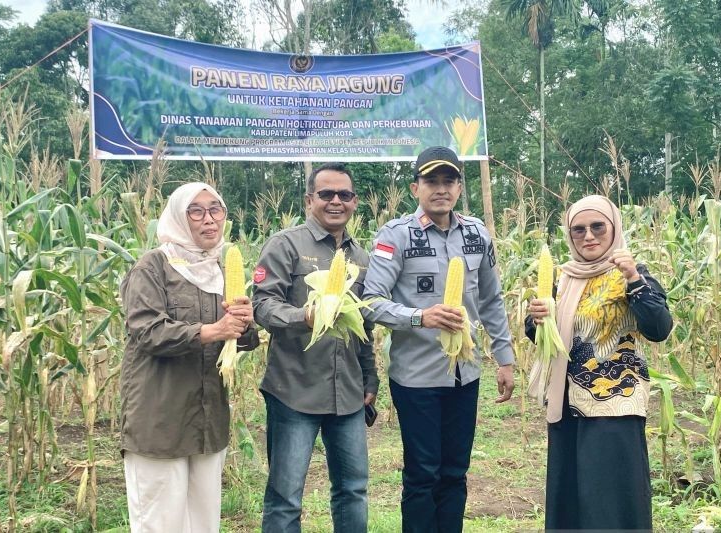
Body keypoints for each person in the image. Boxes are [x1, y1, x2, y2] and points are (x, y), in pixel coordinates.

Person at [363, 146, 515, 532]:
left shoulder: (477, 234)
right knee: (423, 473)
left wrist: (505, 357)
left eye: (449, 181)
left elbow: (491, 299)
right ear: (416, 188)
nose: (441, 189)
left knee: (455, 472)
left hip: (466, 374)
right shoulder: (396, 236)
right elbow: (370, 302)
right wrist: (420, 316)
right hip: (417, 379)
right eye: (432, 181)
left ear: (460, 188)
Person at [526, 194, 673, 531]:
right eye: (579, 230)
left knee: (609, 498)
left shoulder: (632, 274)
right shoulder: (563, 279)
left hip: (614, 403)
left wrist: (634, 278)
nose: (588, 236)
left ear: (613, 229)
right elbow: (545, 336)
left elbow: (659, 327)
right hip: (566, 404)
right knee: (571, 496)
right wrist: (535, 320)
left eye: (597, 227)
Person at [120, 182, 259, 533]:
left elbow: (242, 340)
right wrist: (213, 330)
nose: (208, 219)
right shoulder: (153, 266)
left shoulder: (223, 267)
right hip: (160, 418)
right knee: (160, 523)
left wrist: (244, 325)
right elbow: (147, 331)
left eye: (215, 209)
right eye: (195, 211)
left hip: (209, 418)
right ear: (179, 218)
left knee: (204, 523)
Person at [252, 163, 379, 533]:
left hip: (349, 394)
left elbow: (364, 326)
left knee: (353, 490)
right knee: (286, 496)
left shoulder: (362, 257)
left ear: (355, 202)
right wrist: (303, 317)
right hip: (294, 390)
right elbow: (262, 305)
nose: (336, 201)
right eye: (326, 194)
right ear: (310, 200)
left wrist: (370, 379)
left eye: (344, 195)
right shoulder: (285, 245)